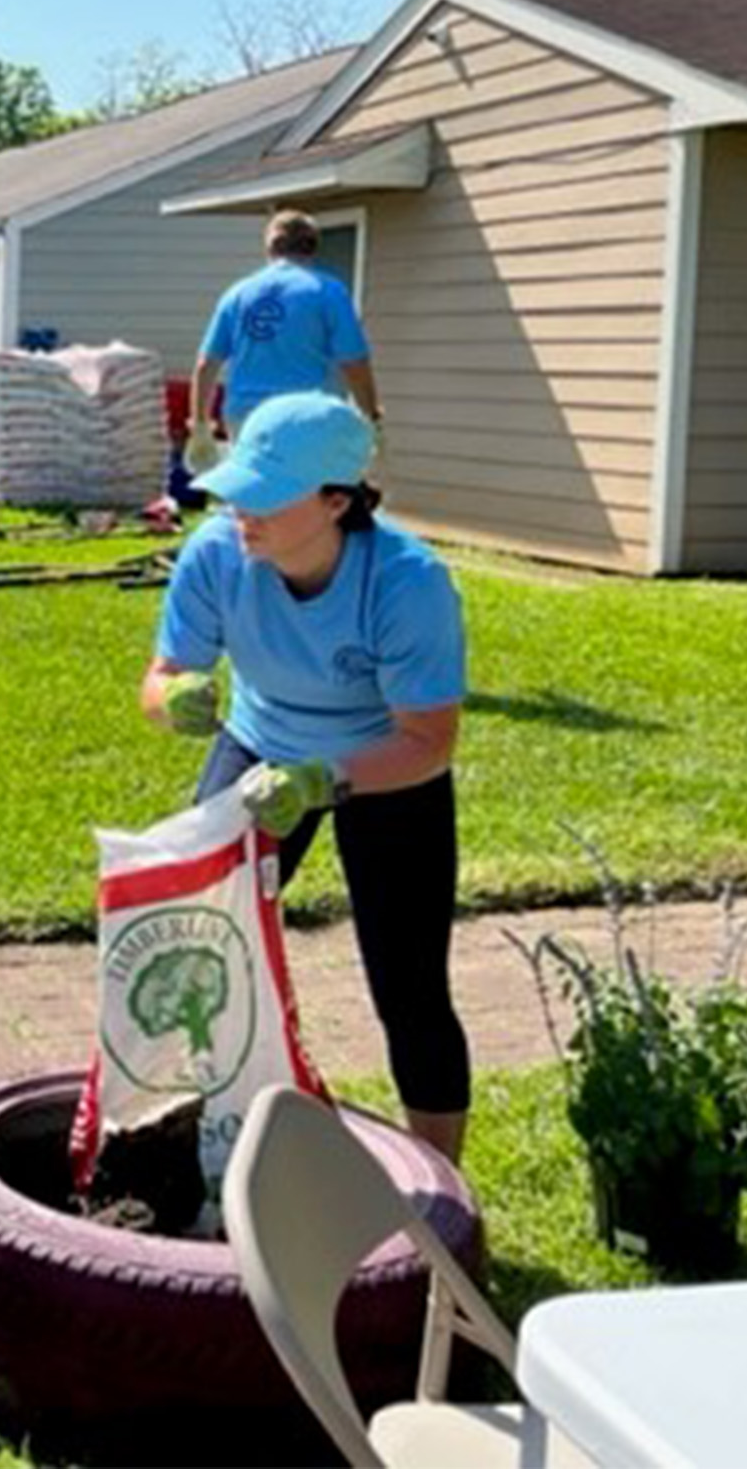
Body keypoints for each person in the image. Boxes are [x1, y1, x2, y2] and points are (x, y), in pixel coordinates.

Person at [139, 392, 471, 1162]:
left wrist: (323, 780)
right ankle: (198, 1145)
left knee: (410, 987)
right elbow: (159, 679)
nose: (237, 506)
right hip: (259, 743)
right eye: (237, 485)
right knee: (202, 950)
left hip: (381, 764)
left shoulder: (408, 583)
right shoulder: (218, 553)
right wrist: (175, 699)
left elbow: (428, 742)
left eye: (263, 490)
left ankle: (445, 1197)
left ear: (337, 500)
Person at [191, 210, 379, 459]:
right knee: (303, 493)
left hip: (246, 416)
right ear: (312, 248)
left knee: (251, 492)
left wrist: (201, 424)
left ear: (270, 248)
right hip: (306, 416)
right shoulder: (327, 291)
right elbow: (354, 362)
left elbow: (206, 365)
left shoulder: (237, 294)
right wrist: (371, 417)